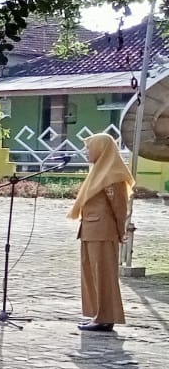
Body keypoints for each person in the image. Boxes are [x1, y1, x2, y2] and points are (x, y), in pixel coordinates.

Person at [70, 134, 134, 332]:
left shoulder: (112, 175)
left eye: (89, 148)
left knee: (104, 275)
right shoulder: (98, 171)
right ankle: (97, 314)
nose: (86, 152)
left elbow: (119, 207)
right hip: (89, 230)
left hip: (103, 232)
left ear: (100, 149)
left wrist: (120, 231)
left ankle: (105, 317)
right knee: (91, 275)